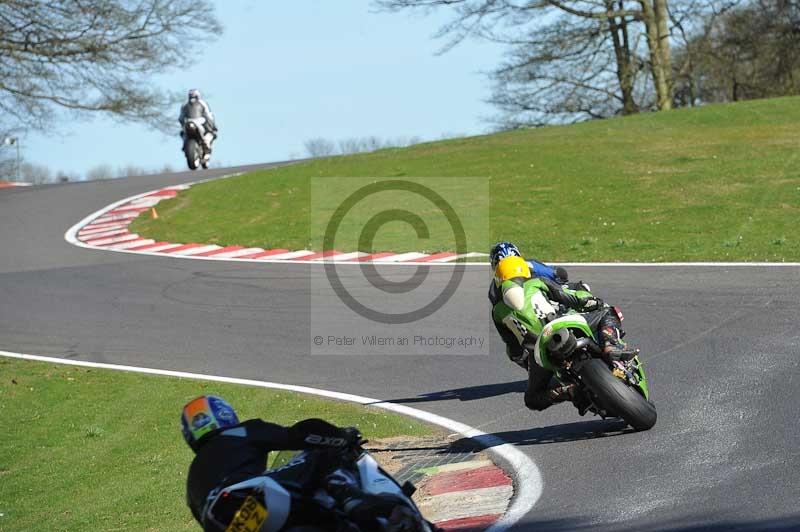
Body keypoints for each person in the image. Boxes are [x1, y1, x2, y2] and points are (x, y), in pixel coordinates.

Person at [181, 395, 428, 531]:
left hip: (222, 522)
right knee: (321, 456)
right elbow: (300, 435)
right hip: (252, 495)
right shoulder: (242, 432)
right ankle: (350, 498)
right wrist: (341, 438)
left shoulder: (192, 480)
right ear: (225, 415)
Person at [490, 255, 638, 412]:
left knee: (532, 399)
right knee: (606, 311)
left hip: (540, 352)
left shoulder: (497, 311)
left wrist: (524, 360)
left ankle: (568, 391)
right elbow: (569, 297)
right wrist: (593, 301)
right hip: (562, 325)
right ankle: (610, 345)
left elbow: (512, 346)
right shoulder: (537, 282)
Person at [487, 242, 590, 307]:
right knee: (581, 288)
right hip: (542, 306)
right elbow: (558, 274)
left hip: (520, 325)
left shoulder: (493, 288)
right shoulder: (530, 265)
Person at [179, 89, 217, 159]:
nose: (192, 99)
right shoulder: (185, 104)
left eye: (194, 96)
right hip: (190, 123)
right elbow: (181, 117)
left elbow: (209, 115)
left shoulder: (201, 103)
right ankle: (186, 147)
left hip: (199, 123)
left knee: (208, 134)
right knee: (183, 134)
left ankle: (205, 147)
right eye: (191, 96)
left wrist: (212, 125)